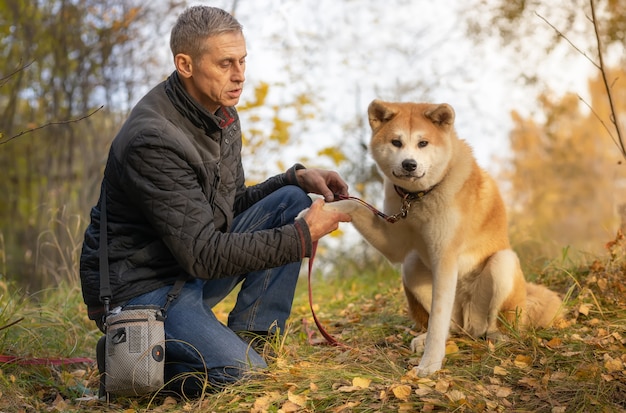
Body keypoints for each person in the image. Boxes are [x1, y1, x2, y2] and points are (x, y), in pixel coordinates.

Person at [79, 5, 351, 396]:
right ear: (185, 64)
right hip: (141, 289)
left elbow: (228, 206)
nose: (239, 75)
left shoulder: (221, 114)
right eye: (225, 64)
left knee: (290, 199)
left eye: (242, 60)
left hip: (183, 266)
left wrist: (293, 177)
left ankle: (255, 343)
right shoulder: (152, 139)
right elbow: (204, 255)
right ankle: (130, 361)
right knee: (246, 381)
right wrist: (301, 237)